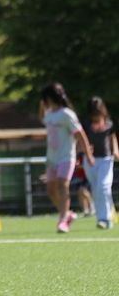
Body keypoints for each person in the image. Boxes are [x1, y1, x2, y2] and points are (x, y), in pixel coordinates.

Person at [39, 83, 94, 234]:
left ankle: (62, 220)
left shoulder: (67, 114)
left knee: (62, 186)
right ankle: (67, 214)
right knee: (51, 190)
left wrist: (88, 155)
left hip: (66, 157)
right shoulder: (49, 114)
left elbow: (80, 134)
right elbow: (43, 118)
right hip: (51, 158)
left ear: (50, 97)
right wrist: (41, 107)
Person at [82, 96, 119, 229]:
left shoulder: (109, 123)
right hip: (90, 160)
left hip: (106, 159)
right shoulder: (86, 124)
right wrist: (85, 150)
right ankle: (105, 218)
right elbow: (81, 140)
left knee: (104, 187)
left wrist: (116, 150)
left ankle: (104, 218)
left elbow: (112, 137)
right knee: (97, 189)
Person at [72, 150, 95, 217]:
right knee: (80, 193)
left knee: (83, 191)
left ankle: (92, 205)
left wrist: (79, 166)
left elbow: (88, 165)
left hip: (86, 176)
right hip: (78, 176)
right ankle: (85, 210)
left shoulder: (85, 154)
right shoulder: (77, 155)